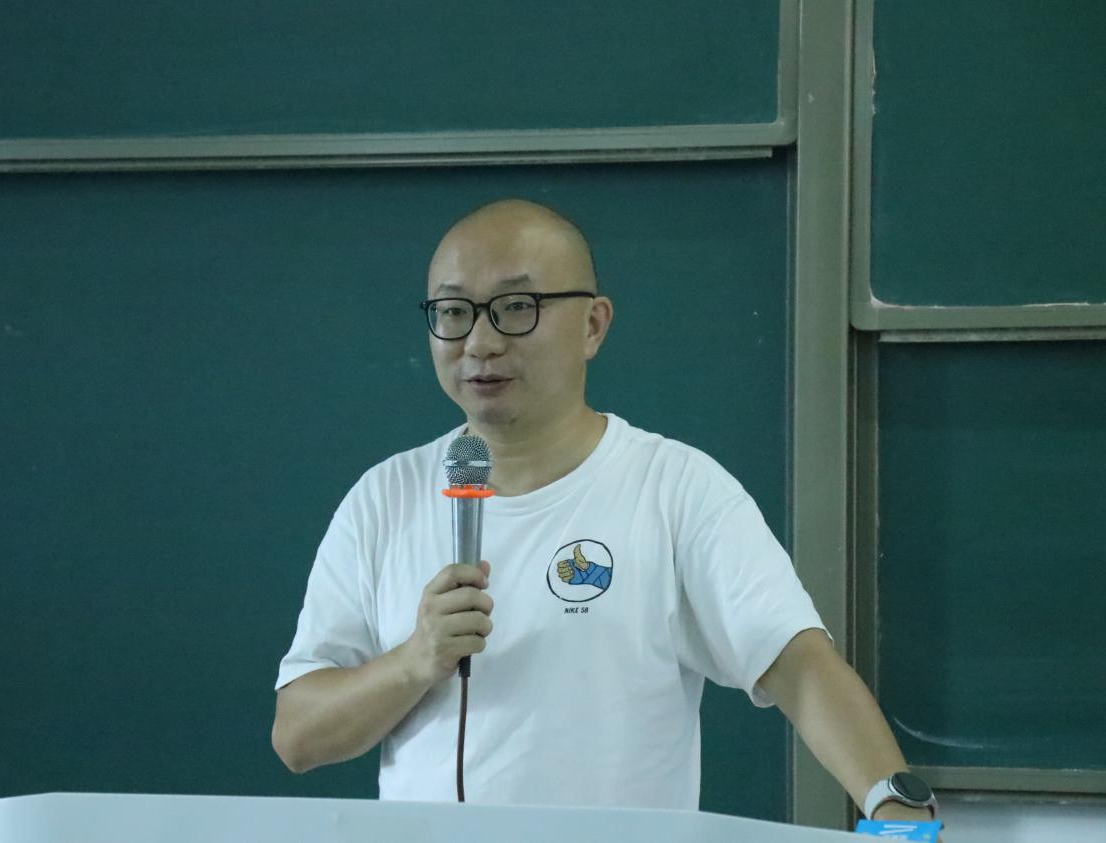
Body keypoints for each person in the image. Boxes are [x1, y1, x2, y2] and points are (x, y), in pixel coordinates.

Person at [272, 199, 937, 823]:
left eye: (515, 307)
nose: (479, 341)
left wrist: (895, 810)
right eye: (453, 312)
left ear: (592, 325)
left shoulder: (674, 488)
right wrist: (414, 661)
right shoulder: (384, 498)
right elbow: (298, 735)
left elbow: (799, 665)